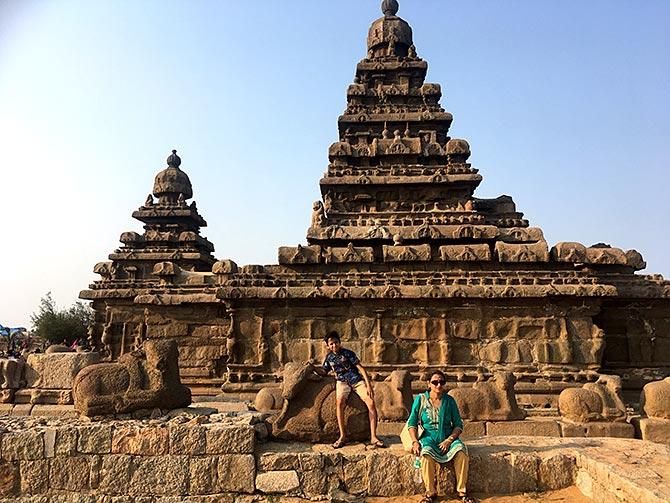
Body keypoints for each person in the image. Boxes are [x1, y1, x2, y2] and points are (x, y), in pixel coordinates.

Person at [308, 330, 385, 449]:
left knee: (371, 403)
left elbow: (361, 369)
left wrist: (368, 385)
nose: (334, 345)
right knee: (339, 403)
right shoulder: (329, 358)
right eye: (331, 344)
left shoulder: (348, 353)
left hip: (356, 380)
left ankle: (373, 437)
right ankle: (342, 436)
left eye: (336, 342)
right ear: (328, 346)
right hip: (342, 382)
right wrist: (312, 367)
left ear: (339, 342)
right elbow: (324, 371)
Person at [407, 370, 475, 503]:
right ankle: (430, 492)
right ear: (429, 384)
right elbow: (412, 423)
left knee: (461, 452)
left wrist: (449, 440)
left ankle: (462, 491)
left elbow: (458, 425)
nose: (438, 385)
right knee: (425, 454)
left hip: (448, 437)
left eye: (441, 382)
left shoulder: (449, 401)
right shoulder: (421, 400)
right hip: (428, 438)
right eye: (435, 382)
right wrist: (415, 441)